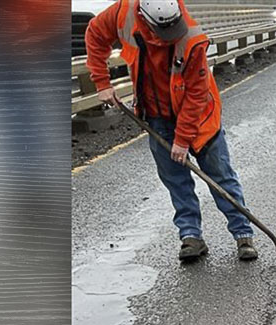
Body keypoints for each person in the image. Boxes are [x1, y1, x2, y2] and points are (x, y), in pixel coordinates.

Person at [85, 0, 258, 262]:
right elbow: (95, 34)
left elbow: (197, 95)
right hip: (156, 116)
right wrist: (101, 82)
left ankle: (243, 235)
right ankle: (191, 236)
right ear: (144, 18)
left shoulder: (192, 39)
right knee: (176, 180)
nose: (168, 37)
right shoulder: (124, 13)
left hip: (199, 119)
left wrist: (182, 140)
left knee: (220, 176)